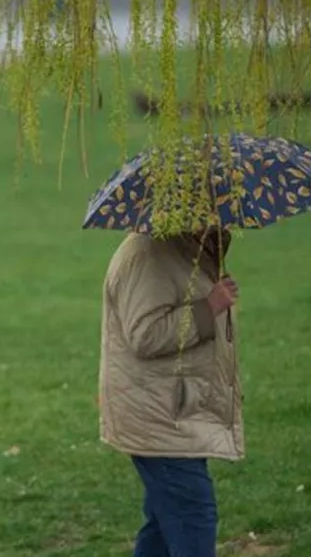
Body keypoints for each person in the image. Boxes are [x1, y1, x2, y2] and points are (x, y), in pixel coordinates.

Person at [99, 227, 242, 557]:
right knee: (193, 515)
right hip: (159, 415)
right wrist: (209, 308)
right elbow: (145, 335)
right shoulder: (148, 254)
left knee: (166, 523)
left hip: (176, 407)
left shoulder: (180, 247)